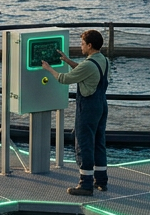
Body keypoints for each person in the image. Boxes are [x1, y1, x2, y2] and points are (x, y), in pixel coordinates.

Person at [42, 29, 111, 196]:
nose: (80, 47)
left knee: (84, 143)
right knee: (98, 141)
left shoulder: (88, 64)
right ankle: (101, 181)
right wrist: (67, 60)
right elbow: (85, 70)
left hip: (88, 107)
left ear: (90, 45)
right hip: (102, 104)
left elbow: (64, 79)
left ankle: (85, 184)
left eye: (82, 44)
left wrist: (49, 69)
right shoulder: (103, 60)